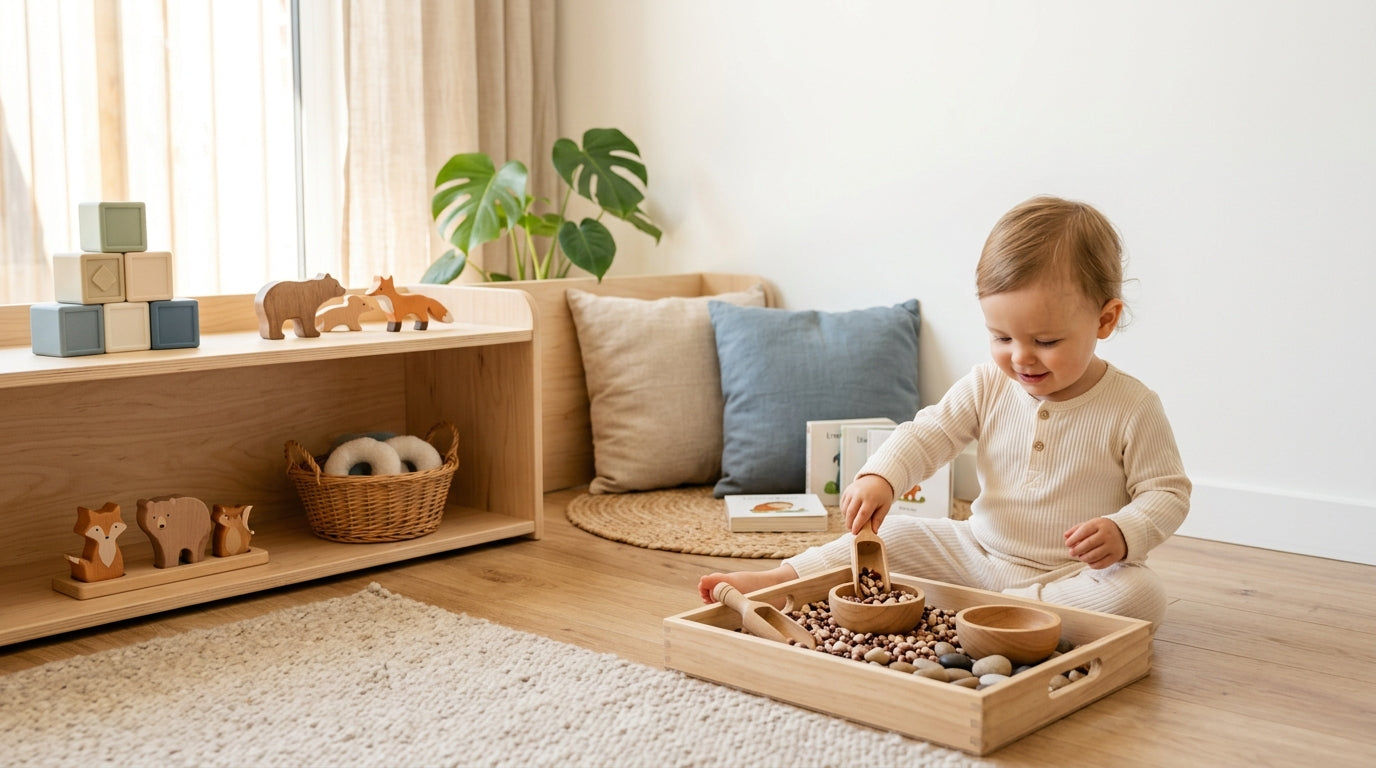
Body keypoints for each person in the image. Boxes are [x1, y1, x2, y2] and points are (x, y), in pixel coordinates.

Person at [698, 196, 1190, 625]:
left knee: (1142, 597)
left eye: (1046, 340)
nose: (1020, 357)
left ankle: (1012, 609)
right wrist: (882, 478)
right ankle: (785, 579)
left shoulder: (1132, 407)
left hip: (1076, 573)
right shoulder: (988, 383)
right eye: (1001, 337)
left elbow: (1165, 492)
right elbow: (930, 432)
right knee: (899, 533)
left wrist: (1126, 532)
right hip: (979, 552)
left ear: (1105, 319)